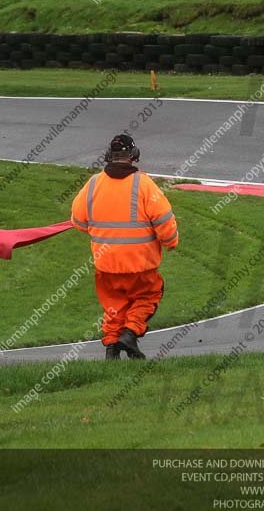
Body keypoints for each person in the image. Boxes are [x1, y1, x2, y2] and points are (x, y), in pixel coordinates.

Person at [71, 134, 179, 360]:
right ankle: (130, 334)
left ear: (108, 156)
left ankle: (112, 348)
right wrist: (170, 241)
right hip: (139, 263)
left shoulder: (94, 183)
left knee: (114, 306)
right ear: (134, 155)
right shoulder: (143, 184)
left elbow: (79, 221)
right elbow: (163, 218)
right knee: (148, 296)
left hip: (106, 264)